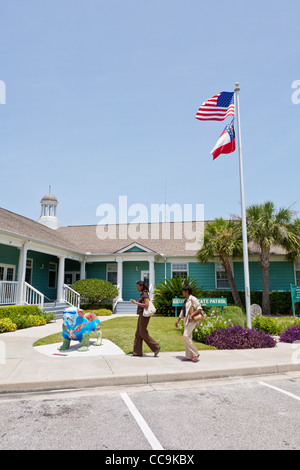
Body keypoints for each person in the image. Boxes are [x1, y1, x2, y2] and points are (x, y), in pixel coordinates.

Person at [130, 280, 161, 357]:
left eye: (137, 287)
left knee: (142, 332)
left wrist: (136, 303)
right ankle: (137, 352)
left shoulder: (145, 293)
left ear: (141, 286)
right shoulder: (143, 293)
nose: (137, 288)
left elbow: (146, 305)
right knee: (138, 333)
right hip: (142, 315)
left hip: (144, 316)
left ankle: (156, 346)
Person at [175, 284, 203, 362]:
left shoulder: (193, 299)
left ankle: (196, 353)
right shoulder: (185, 300)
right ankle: (188, 356)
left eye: (183, 291)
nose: (182, 292)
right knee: (188, 338)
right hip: (186, 321)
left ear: (187, 291)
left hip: (192, 321)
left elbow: (199, 308)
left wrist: (192, 315)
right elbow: (182, 311)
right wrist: (178, 320)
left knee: (185, 336)